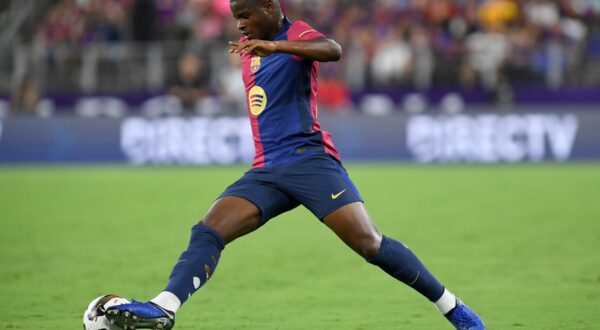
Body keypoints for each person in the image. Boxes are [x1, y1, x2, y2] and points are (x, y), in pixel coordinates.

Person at [106, 1, 486, 329]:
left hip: (309, 161)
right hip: (266, 170)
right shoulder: (250, 53)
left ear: (269, 9)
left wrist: (276, 45)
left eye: (245, 15)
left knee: (370, 244)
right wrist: (263, 47)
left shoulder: (295, 34)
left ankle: (453, 307)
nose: (239, 24)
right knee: (208, 230)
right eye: (236, 17)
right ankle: (163, 308)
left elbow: (333, 49)